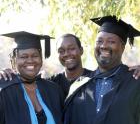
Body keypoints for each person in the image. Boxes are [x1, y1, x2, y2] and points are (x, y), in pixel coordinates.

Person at [1, 33, 140, 99]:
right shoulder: (51, 84)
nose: (67, 54)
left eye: (72, 48)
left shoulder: (95, 79)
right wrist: (8, 73)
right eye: (61, 51)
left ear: (81, 50)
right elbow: (26, 80)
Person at [64, 15, 140, 124]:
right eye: (99, 41)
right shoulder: (79, 85)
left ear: (123, 47)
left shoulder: (135, 82)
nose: (104, 45)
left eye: (111, 41)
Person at [0, 31, 64, 124]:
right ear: (13, 60)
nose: (30, 60)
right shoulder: (4, 91)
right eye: (24, 56)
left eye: (35, 55)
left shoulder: (54, 90)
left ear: (41, 59)